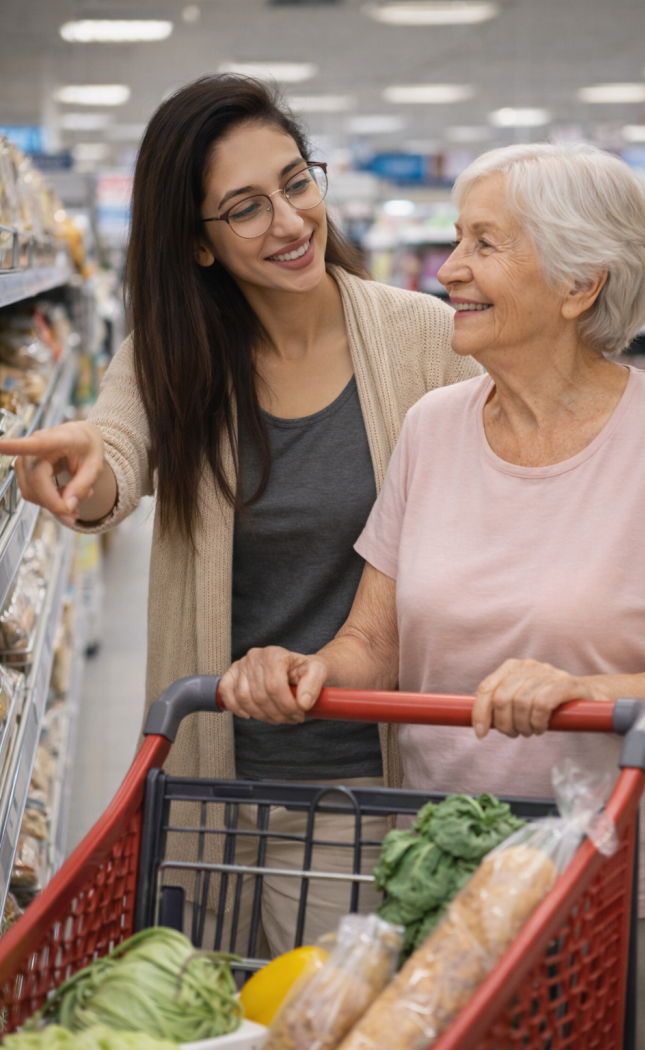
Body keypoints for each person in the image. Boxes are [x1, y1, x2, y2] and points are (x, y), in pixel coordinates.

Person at [221, 142, 645, 1048]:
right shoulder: (433, 428)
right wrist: (306, 669)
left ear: (578, 285)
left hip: (630, 889)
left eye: (485, 244)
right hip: (451, 880)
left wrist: (586, 697)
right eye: (454, 239)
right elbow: (375, 641)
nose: (448, 270)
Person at [0, 75, 480, 953]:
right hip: (215, 774)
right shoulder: (172, 356)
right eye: (247, 208)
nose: (292, 223)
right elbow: (116, 452)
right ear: (199, 244)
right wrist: (84, 474)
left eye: (297, 183)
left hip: (373, 778)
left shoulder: (427, 339)